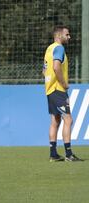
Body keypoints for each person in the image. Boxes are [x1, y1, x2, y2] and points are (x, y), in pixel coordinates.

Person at [42, 25, 83, 162]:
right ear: (59, 36)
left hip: (49, 89)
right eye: (67, 34)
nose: (69, 37)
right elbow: (55, 67)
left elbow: (44, 70)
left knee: (55, 120)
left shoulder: (49, 48)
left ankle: (53, 154)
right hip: (58, 89)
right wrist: (64, 83)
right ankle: (69, 154)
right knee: (68, 119)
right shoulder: (59, 48)